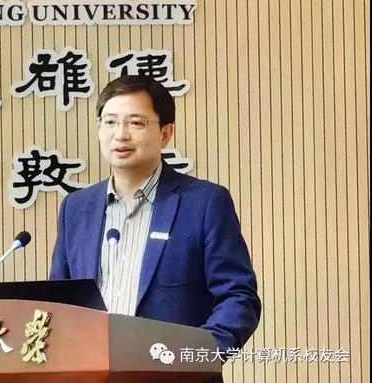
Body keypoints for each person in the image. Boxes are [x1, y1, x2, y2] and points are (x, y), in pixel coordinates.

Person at [50, 75, 261, 355]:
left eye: (136, 123)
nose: (120, 134)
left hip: (172, 371)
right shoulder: (76, 208)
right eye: (110, 122)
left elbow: (238, 297)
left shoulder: (204, 203)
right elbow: (59, 304)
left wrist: (195, 358)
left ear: (165, 133)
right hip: (89, 370)